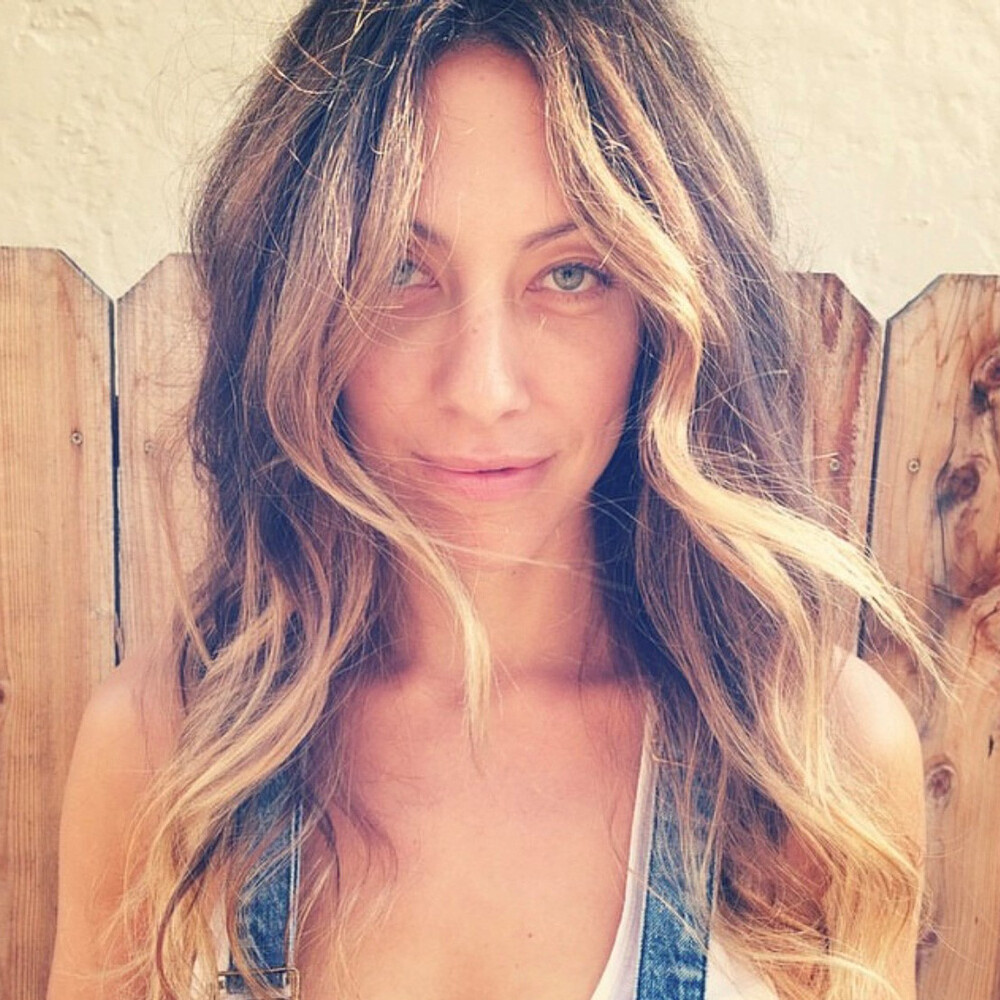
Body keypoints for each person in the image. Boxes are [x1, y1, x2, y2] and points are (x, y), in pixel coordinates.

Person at [47, 2, 934, 998]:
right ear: (291, 311)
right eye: (397, 269)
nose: (481, 387)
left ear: (669, 314)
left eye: (571, 273)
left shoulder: (812, 765)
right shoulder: (163, 749)